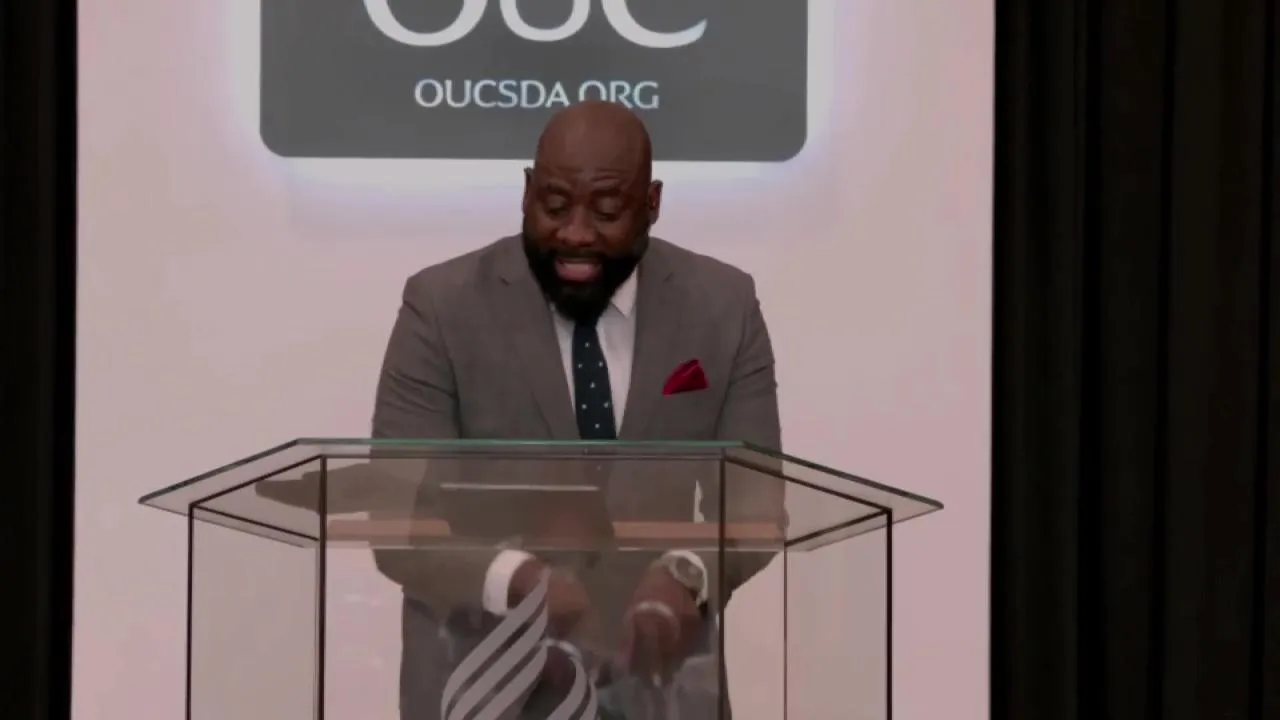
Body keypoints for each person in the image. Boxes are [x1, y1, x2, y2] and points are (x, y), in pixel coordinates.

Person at [371, 101, 782, 719]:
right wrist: (518, 580)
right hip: (483, 685)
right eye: (555, 205)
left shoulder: (724, 306)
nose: (576, 234)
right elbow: (399, 522)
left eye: (608, 210)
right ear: (526, 192)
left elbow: (755, 510)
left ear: (652, 203)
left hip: (658, 686)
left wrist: (687, 573)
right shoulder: (440, 307)